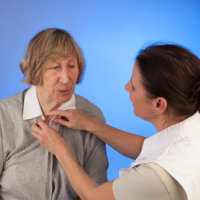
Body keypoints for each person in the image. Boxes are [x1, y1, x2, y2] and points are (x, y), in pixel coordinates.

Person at [31, 44, 200, 200]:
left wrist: (59, 148)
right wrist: (91, 124)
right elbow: (147, 147)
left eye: (133, 86)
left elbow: (93, 196)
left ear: (159, 104)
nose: (126, 87)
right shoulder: (193, 123)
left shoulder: (158, 176)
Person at [0, 28, 108, 199]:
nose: (65, 78)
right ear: (35, 69)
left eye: (71, 66)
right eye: (55, 67)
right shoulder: (4, 115)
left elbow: (99, 190)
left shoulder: (91, 115)